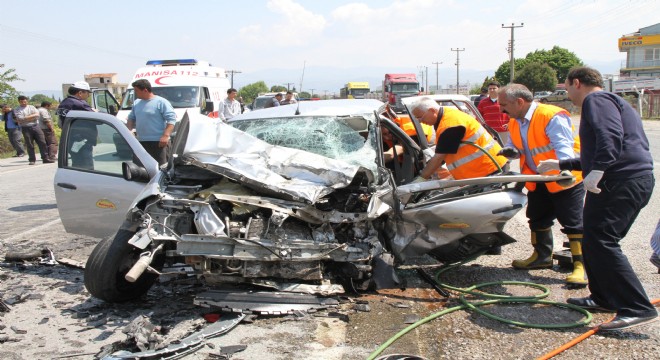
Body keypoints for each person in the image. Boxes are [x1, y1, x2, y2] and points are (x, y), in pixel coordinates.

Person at [558, 66, 656, 331]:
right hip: (625, 179)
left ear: (576, 82)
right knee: (593, 239)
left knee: (602, 240)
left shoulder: (597, 100)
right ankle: (604, 297)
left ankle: (636, 306)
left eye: (567, 87)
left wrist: (599, 170)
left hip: (620, 181)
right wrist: (562, 163)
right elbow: (606, 148)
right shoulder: (614, 102)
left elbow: (610, 138)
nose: (567, 93)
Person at [496, 84, 586, 287]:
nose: (501, 109)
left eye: (504, 104)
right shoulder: (515, 121)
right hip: (538, 179)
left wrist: (565, 172)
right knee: (537, 218)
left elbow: (563, 146)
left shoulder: (551, 116)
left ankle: (580, 265)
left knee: (573, 223)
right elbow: (516, 146)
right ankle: (541, 257)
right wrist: (511, 152)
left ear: (519, 102)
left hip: (564, 178)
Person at [408, 97, 508, 181]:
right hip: (481, 171)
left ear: (432, 111)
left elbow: (439, 157)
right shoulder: (446, 116)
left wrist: (421, 179)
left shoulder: (451, 124)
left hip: (489, 170)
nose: (420, 121)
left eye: (420, 117)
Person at [127, 79, 177, 166]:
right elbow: (131, 118)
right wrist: (128, 131)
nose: (135, 93)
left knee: (161, 168)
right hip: (141, 142)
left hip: (159, 142)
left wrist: (165, 136)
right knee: (141, 168)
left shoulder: (161, 102)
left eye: (137, 91)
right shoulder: (136, 103)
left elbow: (171, 120)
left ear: (145, 90)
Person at [57, 81, 98, 169]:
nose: (88, 95)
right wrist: (96, 112)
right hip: (82, 141)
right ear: (80, 93)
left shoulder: (64, 102)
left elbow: (60, 123)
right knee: (86, 167)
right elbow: (98, 119)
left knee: (76, 165)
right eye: (87, 93)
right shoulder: (79, 104)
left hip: (71, 139)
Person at [13, 95, 50, 165]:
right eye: (21, 102)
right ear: (19, 102)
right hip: (25, 128)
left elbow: (37, 115)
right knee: (29, 144)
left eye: (24, 101)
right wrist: (31, 117)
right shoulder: (17, 109)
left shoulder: (31, 107)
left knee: (42, 142)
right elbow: (20, 118)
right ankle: (32, 159)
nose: (23, 103)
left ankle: (45, 158)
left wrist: (25, 118)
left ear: (27, 101)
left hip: (36, 126)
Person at [478, 80, 511, 145]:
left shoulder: (506, 101)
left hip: (503, 132)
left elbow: (513, 114)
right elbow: (478, 117)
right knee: (490, 151)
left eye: (494, 88)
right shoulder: (482, 103)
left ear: (499, 89)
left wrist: (510, 124)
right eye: (490, 89)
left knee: (504, 151)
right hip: (488, 132)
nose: (492, 90)